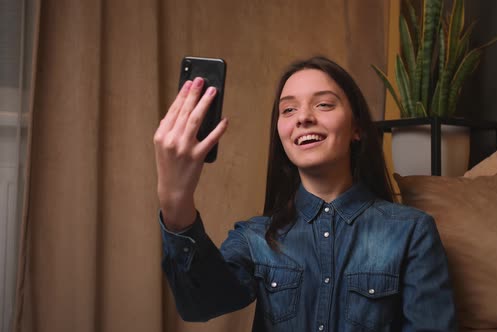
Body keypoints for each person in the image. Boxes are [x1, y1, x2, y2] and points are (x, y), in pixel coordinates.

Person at [154, 56, 457, 332]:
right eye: (288, 109)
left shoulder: (411, 231)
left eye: (323, 104)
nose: (303, 118)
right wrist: (175, 201)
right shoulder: (254, 237)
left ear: (357, 128)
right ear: (281, 133)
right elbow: (200, 304)